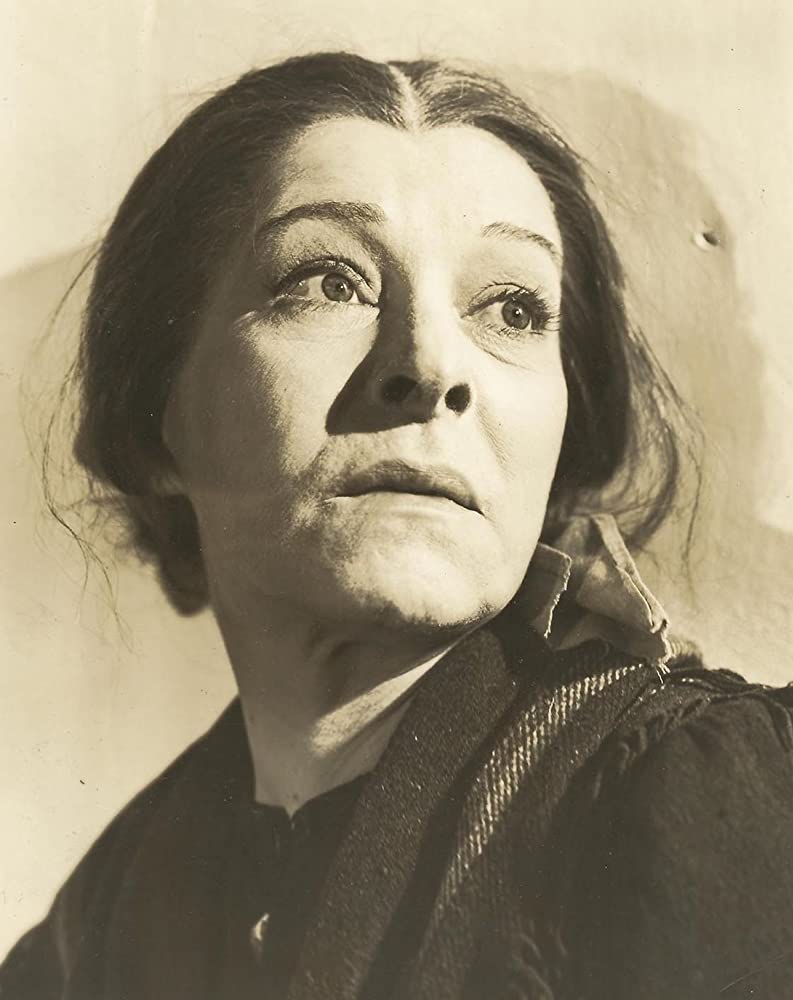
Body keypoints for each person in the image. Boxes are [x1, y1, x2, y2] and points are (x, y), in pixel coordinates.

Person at [2, 51, 792, 1000]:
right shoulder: (91, 932)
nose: (430, 365)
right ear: (153, 420)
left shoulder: (694, 796)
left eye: (511, 309)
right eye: (328, 282)